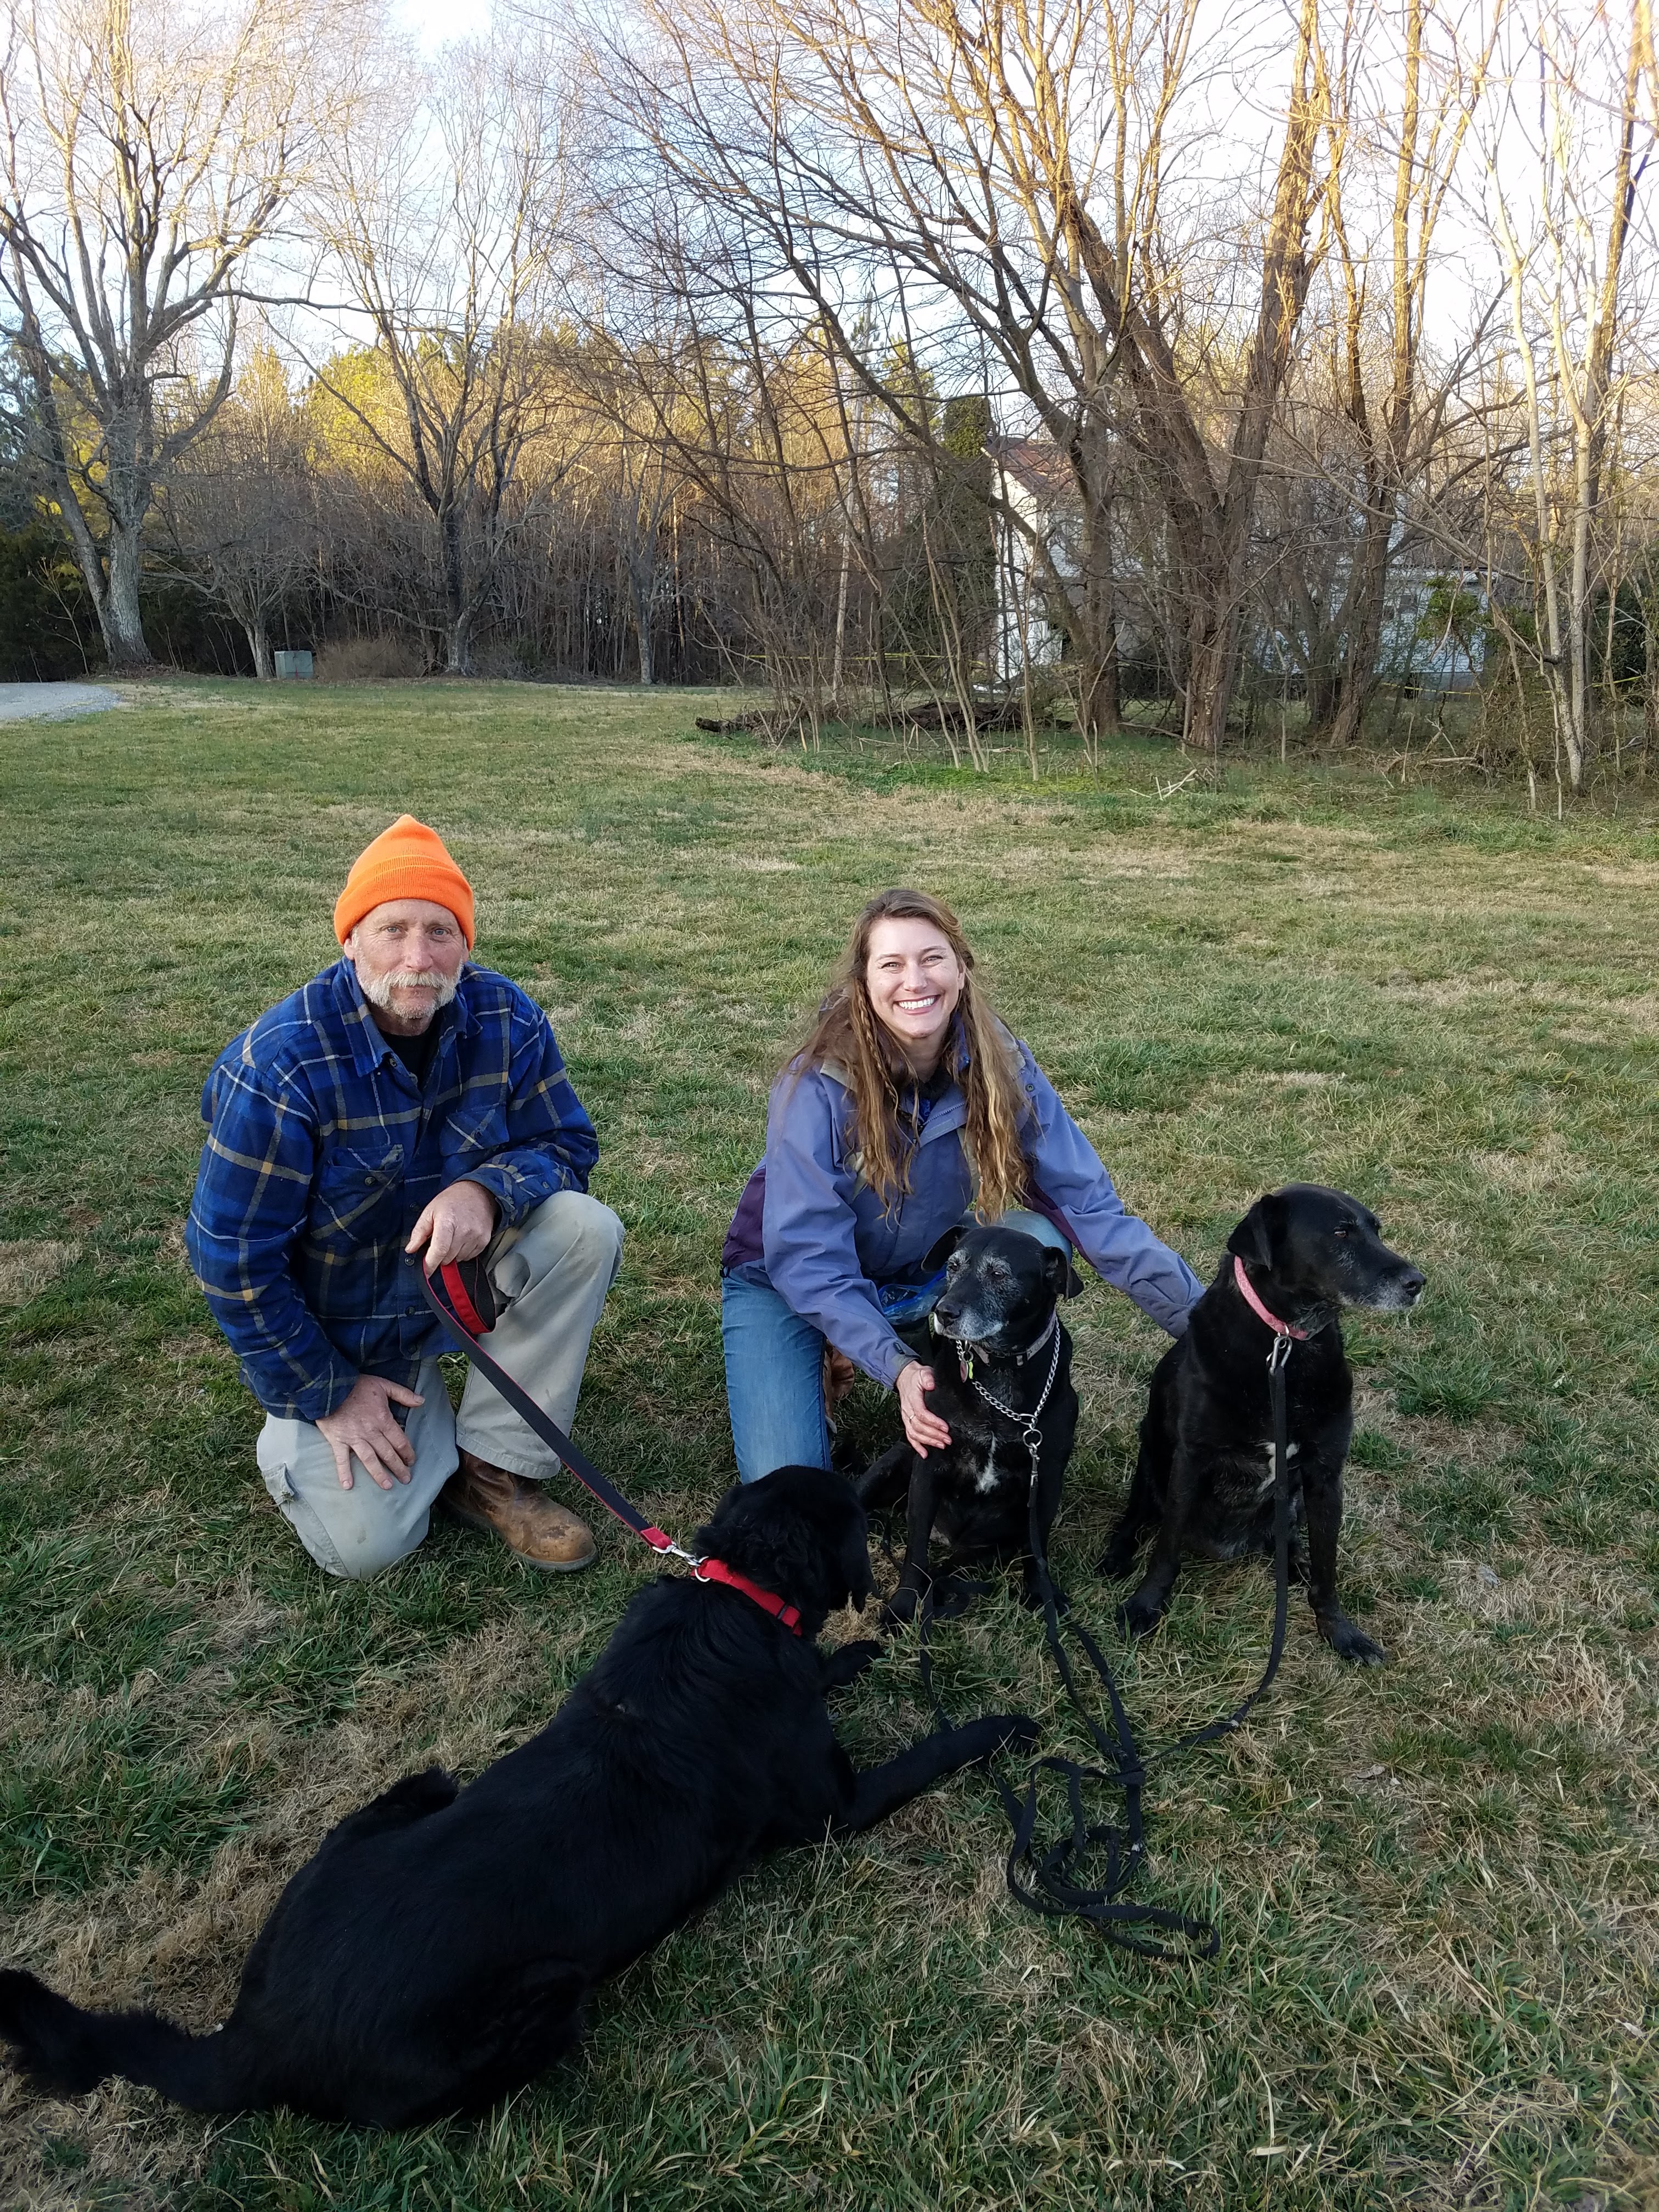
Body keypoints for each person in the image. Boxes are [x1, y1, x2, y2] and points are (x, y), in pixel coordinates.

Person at [187, 815, 623, 1579]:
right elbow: (232, 1261)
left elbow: (567, 1143)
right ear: (350, 940)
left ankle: (493, 1467)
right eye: (392, 930)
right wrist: (331, 1392)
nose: (418, 959)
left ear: (467, 944)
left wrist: (484, 1191)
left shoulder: (507, 1017)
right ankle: (327, 1425)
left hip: (451, 1286)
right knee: (370, 1549)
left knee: (584, 1228)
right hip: (346, 1339)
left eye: (440, 931)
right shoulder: (280, 1066)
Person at [720, 887, 1204, 1484]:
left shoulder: (1001, 1062)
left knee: (1035, 1237)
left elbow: (1087, 1205)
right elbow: (807, 1256)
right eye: (891, 964)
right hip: (786, 1280)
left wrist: (1210, 1326)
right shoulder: (815, 1083)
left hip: (919, 1272)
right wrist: (898, 1367)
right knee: (788, 1484)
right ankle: (836, 1353)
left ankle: (921, 1356)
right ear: (864, 983)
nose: (915, 981)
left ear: (962, 969)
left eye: (932, 959)